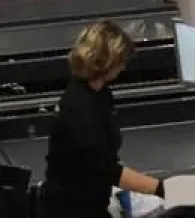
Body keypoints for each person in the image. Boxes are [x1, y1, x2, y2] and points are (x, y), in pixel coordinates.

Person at [43, 21, 164, 218]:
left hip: (91, 202)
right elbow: (106, 169)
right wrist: (162, 189)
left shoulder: (100, 94)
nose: (124, 66)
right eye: (122, 60)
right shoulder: (79, 106)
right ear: (108, 61)